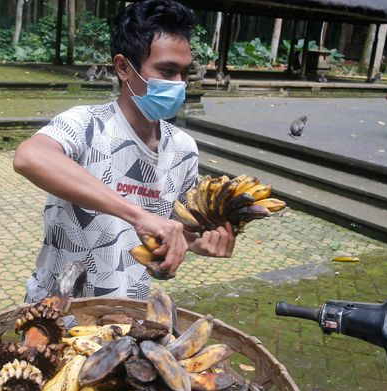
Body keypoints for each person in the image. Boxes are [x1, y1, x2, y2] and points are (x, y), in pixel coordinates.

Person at [13, 0, 235, 303]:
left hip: (128, 316)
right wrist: (137, 215)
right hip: (55, 314)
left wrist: (196, 244)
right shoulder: (84, 124)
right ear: (123, 68)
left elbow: (172, 235)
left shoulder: (184, 150)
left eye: (184, 73)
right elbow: (29, 157)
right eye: (167, 71)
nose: (179, 84)